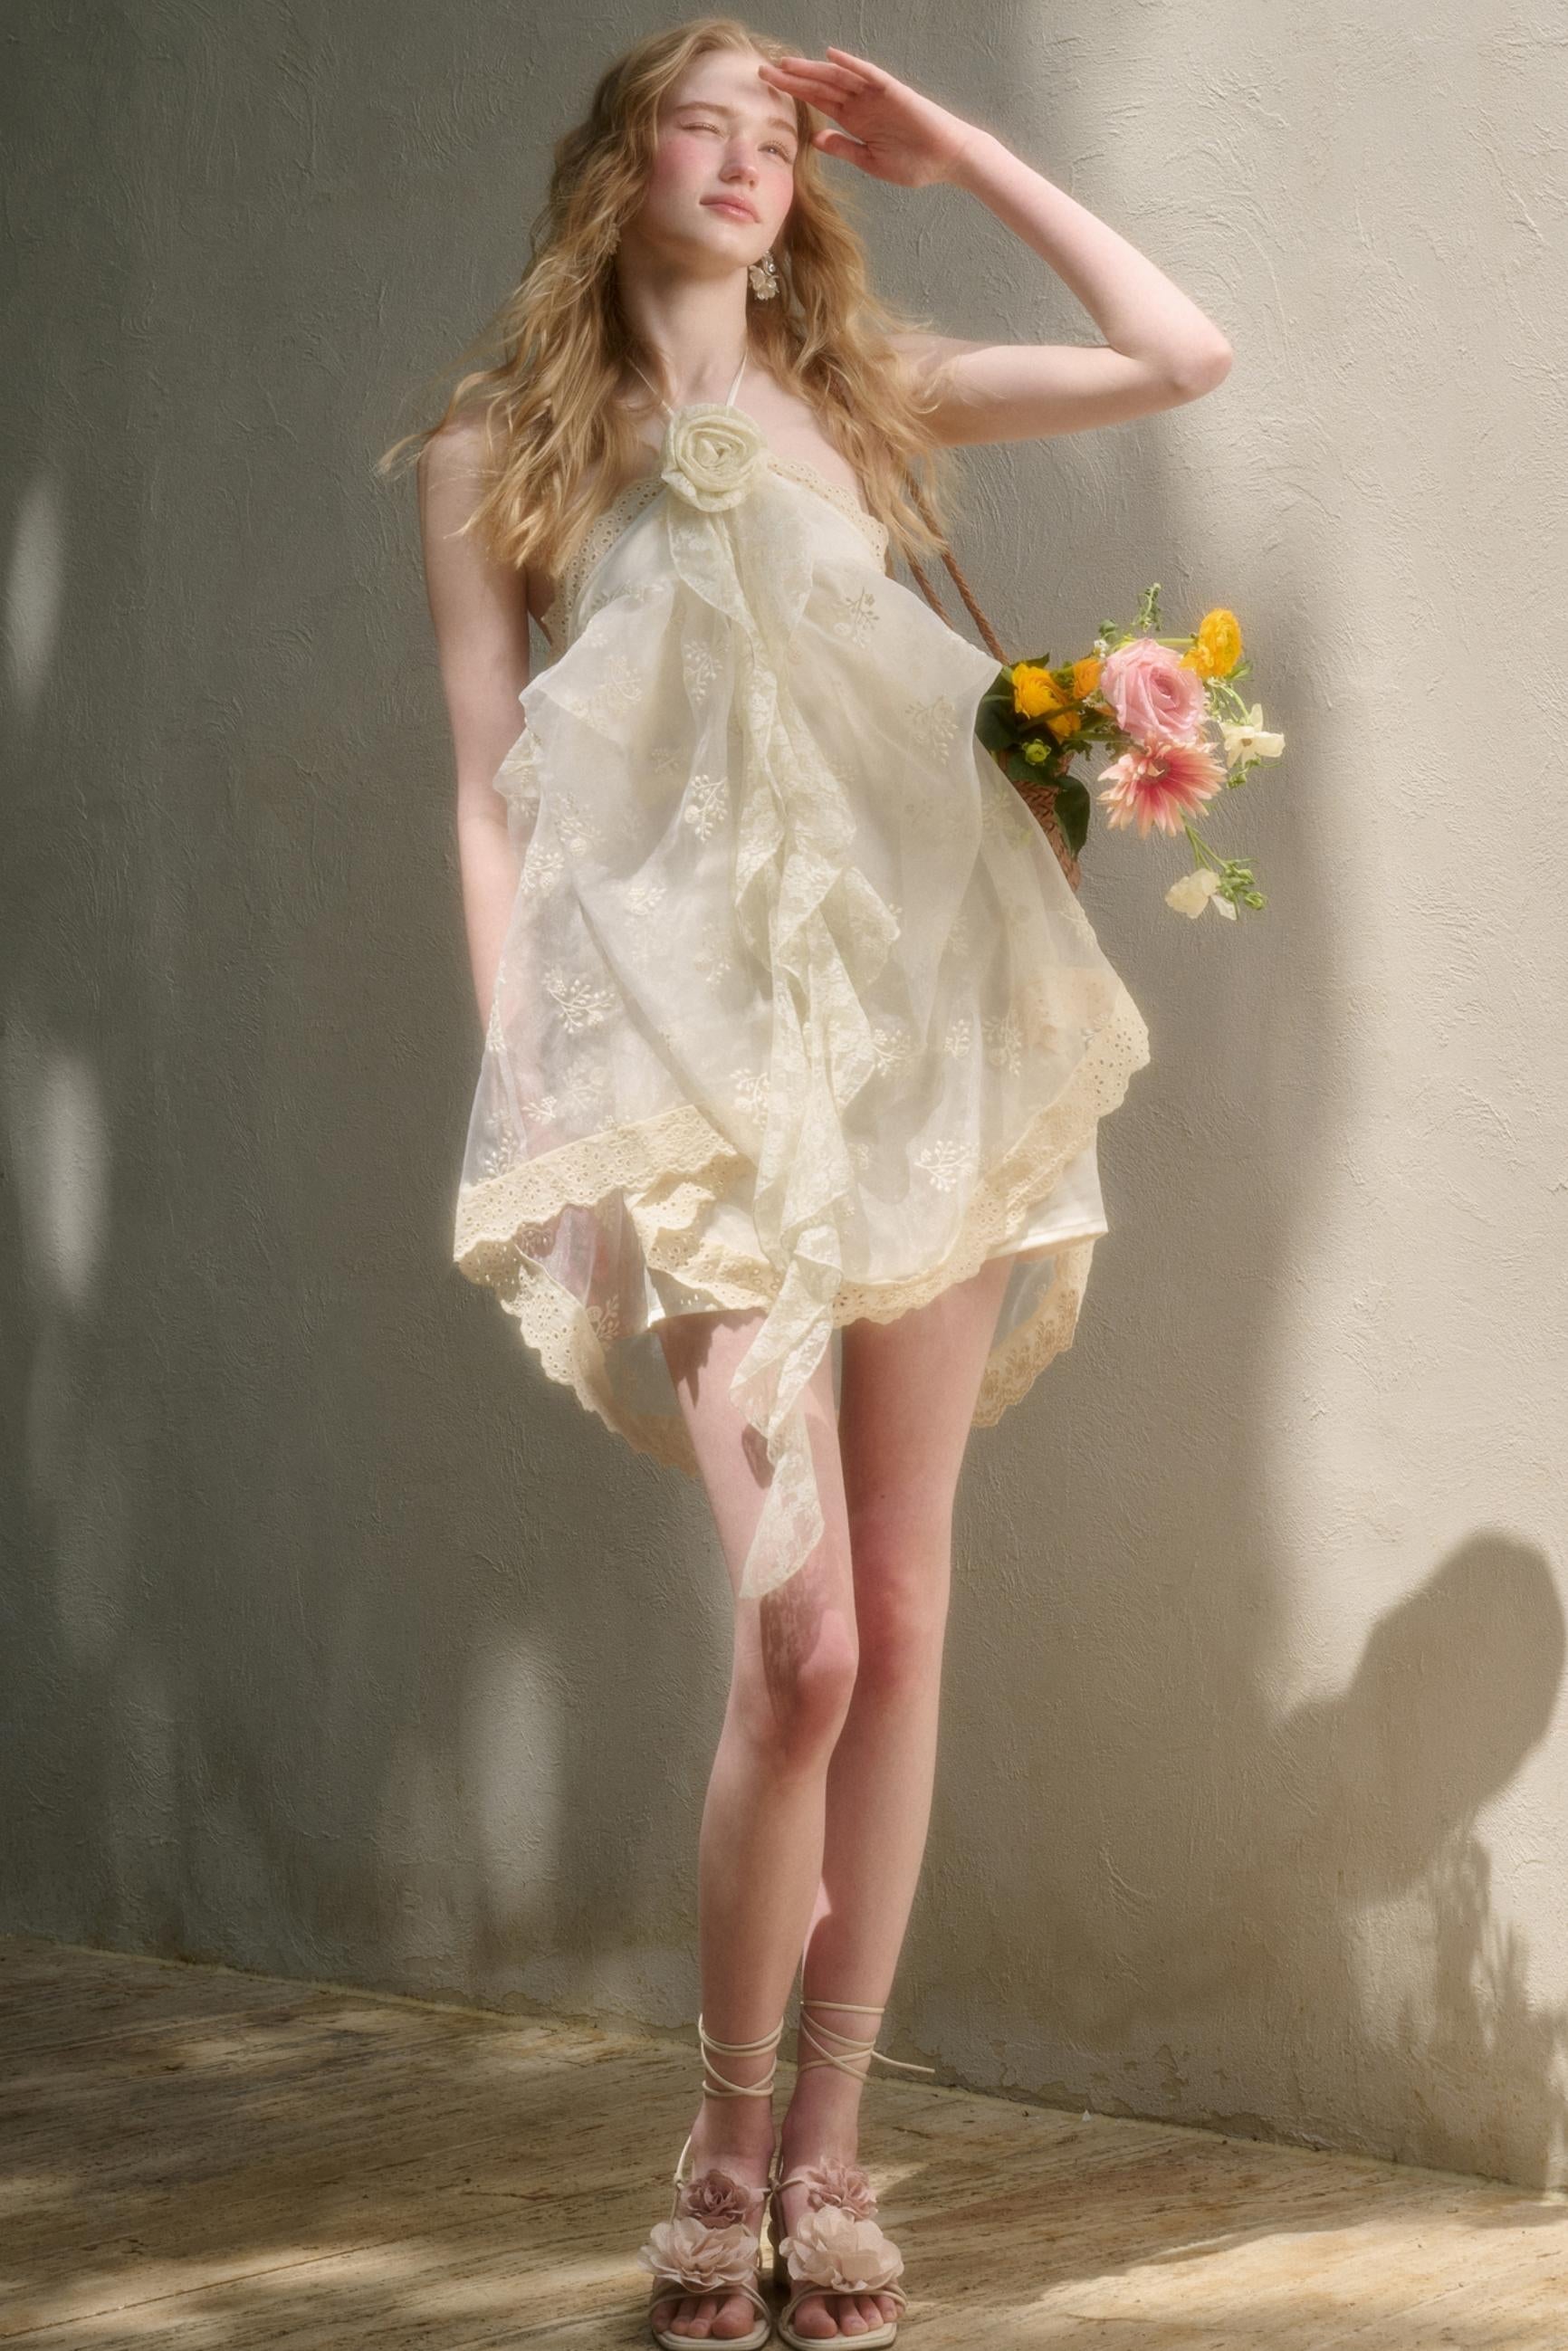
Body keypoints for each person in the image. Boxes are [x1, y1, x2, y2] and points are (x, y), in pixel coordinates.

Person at [389, 19, 1229, 2344]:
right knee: (803, 1643)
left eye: (780, 134)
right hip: (689, 1079)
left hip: (925, 1038)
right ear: (619, 159)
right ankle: (723, 2138)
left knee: (908, 1608)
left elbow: (1181, 354)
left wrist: (955, 151)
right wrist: (546, 1102)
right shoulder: (495, 455)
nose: (750, 158)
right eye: (707, 120)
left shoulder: (864, 398)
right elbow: (486, 793)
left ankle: (834, 2155)